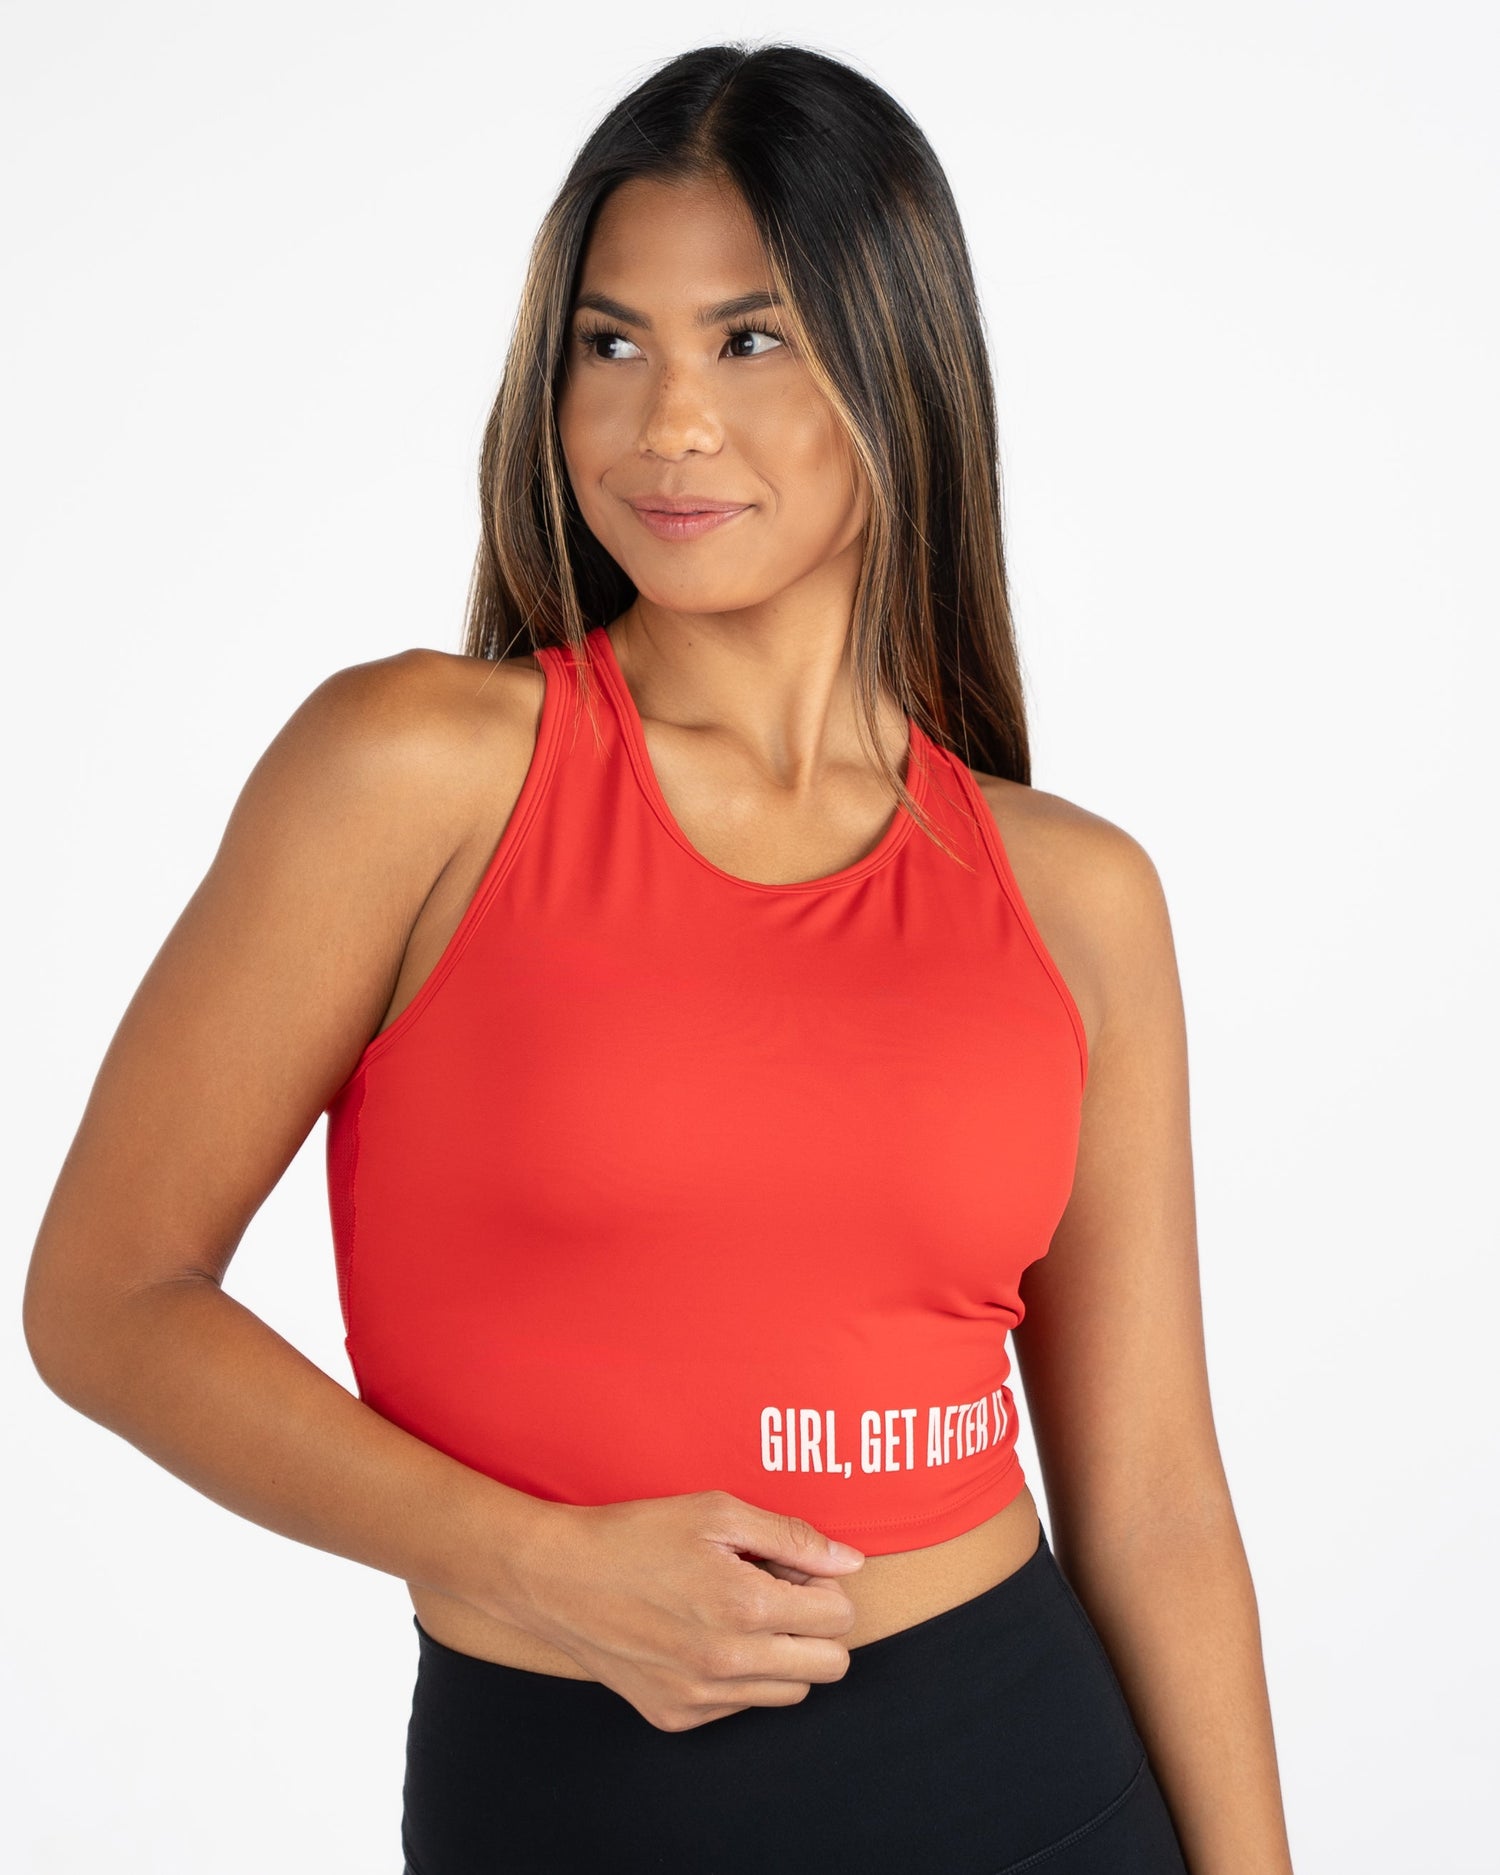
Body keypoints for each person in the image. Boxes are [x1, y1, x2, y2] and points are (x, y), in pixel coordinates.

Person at [22, 39, 1295, 1875]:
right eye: (610, 344)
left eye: (750, 339)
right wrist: (526, 1563)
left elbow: (1157, 1504)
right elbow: (106, 1299)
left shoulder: (1076, 893)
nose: (666, 422)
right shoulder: (416, 772)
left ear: (901, 365)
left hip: (1033, 1789)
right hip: (574, 1804)